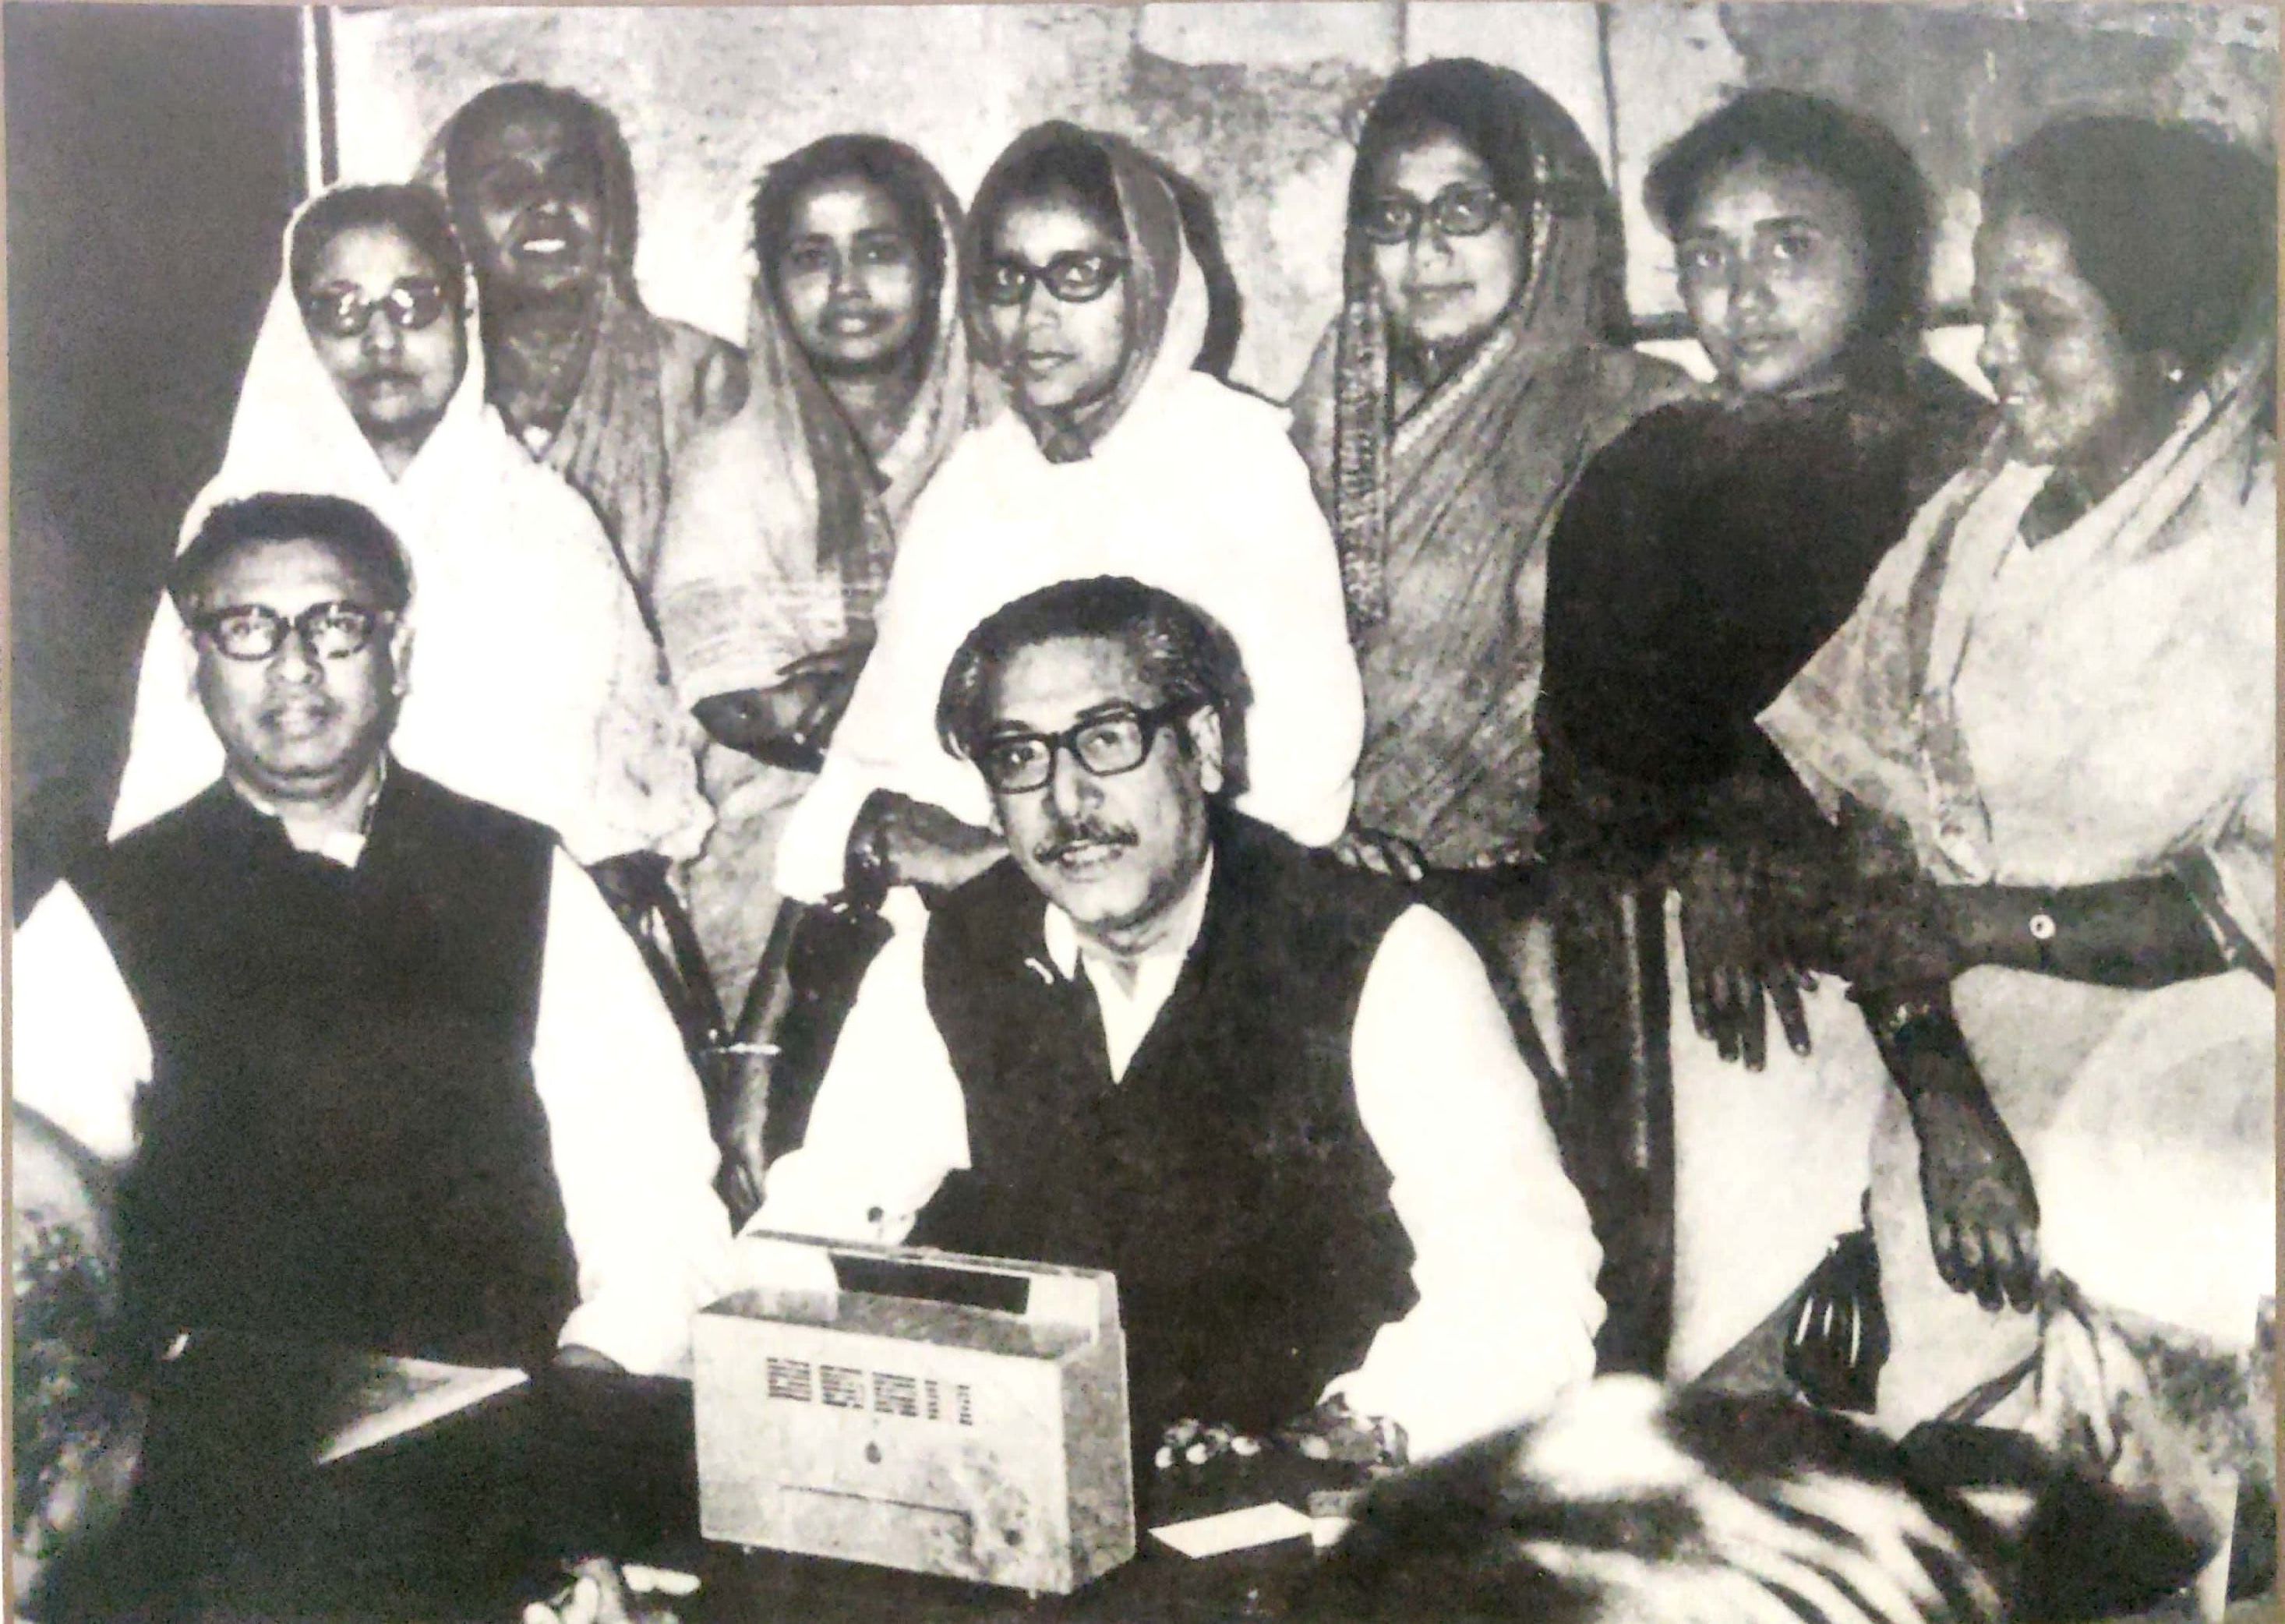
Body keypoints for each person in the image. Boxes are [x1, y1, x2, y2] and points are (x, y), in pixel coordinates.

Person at [1761, 117, 2276, 1608]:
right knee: (1960, 1542)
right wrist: (1939, 1093)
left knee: (2157, 1544)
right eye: (1980, 306)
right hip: (1951, 1109)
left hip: (2196, 1123)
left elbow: (2254, 892)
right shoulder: (1966, 525)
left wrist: (1974, 916)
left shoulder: (2259, 563)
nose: (1991, 349)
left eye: (2039, 316)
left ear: (2173, 329)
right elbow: (1864, 821)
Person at [749, 577, 1603, 1470]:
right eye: (1018, 758)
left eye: (1106, 740)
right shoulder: (947, 953)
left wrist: (1342, 1433)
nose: (1067, 799)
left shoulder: (1380, 952)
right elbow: (818, 1226)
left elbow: (1524, 1286)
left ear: (1200, 746)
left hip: (1321, 1511)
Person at [18, 492, 734, 1378]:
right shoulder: (103, 908)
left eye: (336, 625)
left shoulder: (525, 875)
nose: (295, 667)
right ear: (191, 660)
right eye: (248, 627)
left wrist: (593, 1370)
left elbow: (650, 1183)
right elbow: (37, 1216)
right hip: (224, 1439)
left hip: (509, 1412)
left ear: (397, 653)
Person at [1531, 92, 1992, 1380]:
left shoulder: (1956, 463)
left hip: (1913, 956)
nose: (1741, 292)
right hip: (1682, 966)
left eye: (1788, 247)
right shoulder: (1636, 473)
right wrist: (1690, 856)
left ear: (1883, 259)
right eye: (1707, 256)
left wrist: (1760, 852)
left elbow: (1946, 749)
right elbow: (1581, 761)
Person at [104, 185, 715, 1019]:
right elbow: (173, 767)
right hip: (280, 953)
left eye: (413, 302)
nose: (382, 339)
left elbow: (628, 769)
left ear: (464, 309)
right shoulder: (238, 523)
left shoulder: (548, 520)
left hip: (531, 953)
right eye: (341, 309)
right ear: (298, 331)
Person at [767, 122, 1362, 913]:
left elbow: (1294, 765)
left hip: (1189, 912)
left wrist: (1019, 873)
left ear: (1147, 282)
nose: (1035, 314)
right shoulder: (975, 482)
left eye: (1077, 274)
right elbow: (880, 745)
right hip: (971, 905)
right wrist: (876, 835)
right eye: (1007, 279)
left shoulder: (1235, 464)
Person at [1288, 58, 1694, 888]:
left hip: (1562, 885)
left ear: (1541, 222)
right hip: (1332, 872)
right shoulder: (1335, 396)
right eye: (1392, 216)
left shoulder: (1640, 413)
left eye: (1464, 209)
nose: (1426, 250)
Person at [650, 134, 980, 1014]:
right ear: (769, 284)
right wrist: (922, 692)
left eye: (878, 251)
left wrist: (866, 682)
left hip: (991, 804)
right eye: (811, 258)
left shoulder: (1004, 441)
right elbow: (738, 699)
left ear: (936, 266)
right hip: (781, 828)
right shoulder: (731, 463)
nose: (847, 288)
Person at [428, 81, 748, 611]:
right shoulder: (428, 392)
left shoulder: (706, 381)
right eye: (508, 189)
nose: (547, 205)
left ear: (609, 208)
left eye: (571, 183)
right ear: (456, 223)